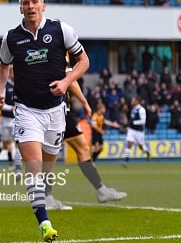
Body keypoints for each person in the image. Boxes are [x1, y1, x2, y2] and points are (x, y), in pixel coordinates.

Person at [0, 0, 89, 242]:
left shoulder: (61, 30)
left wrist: (67, 82)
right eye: (26, 3)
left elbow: (83, 62)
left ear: (43, 5)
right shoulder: (12, 38)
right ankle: (44, 222)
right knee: (33, 167)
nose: (31, 6)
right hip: (26, 110)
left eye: (35, 2)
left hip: (56, 111)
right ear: (20, 7)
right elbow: (3, 66)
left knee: (47, 168)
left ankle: (45, 198)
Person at [45, 82, 127, 211]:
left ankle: (101, 190)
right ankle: (46, 197)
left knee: (78, 149)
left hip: (54, 109)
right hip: (56, 109)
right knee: (51, 154)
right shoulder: (60, 61)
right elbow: (71, 80)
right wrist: (84, 102)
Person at [0, 68, 18, 172]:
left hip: (15, 120)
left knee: (18, 143)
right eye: (13, 73)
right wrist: (11, 108)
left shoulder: (19, 86)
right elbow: (0, 105)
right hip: (4, 120)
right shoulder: (4, 87)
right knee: (4, 145)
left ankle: (15, 166)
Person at [122, 97, 151, 167]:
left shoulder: (141, 110)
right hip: (132, 130)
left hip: (139, 131)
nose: (131, 101)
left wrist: (133, 122)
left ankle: (147, 152)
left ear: (137, 101)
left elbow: (143, 121)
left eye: (133, 100)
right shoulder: (133, 109)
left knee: (141, 146)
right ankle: (126, 161)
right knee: (129, 144)